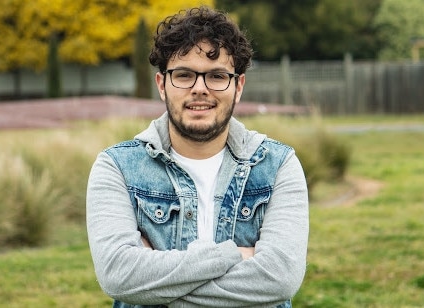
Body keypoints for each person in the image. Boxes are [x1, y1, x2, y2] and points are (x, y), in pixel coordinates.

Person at [86, 6, 309, 308]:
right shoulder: (118, 168)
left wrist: (156, 279)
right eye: (184, 75)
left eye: (217, 76)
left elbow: (280, 278)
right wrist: (236, 255)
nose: (200, 89)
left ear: (238, 86)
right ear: (162, 85)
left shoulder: (277, 166)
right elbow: (118, 276)